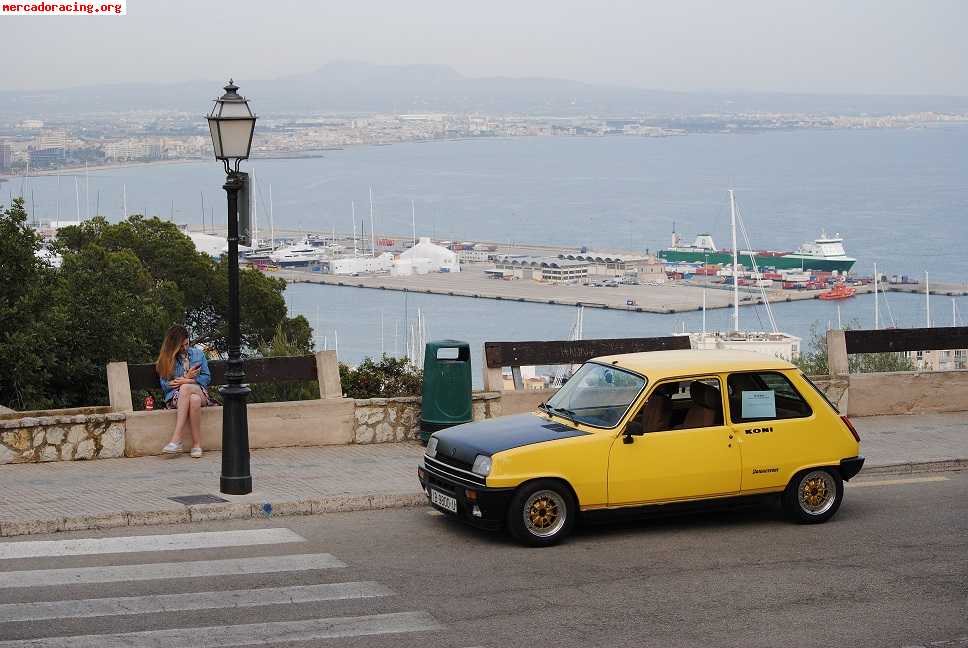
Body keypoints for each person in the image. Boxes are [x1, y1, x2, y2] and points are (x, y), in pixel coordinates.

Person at [155, 325, 212, 458]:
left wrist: (186, 381)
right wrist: (186, 377)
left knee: (187, 389)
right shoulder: (167, 359)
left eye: (187, 344)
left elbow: (206, 378)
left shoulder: (198, 354)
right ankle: (197, 445)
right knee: (194, 400)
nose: (185, 348)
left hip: (200, 391)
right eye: (181, 346)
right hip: (176, 397)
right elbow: (165, 385)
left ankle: (176, 439)